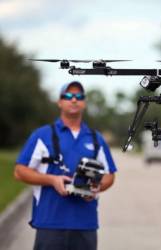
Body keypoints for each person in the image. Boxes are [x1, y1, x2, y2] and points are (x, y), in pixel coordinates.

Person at [14, 81, 117, 250]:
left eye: (79, 96)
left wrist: (96, 187)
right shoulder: (42, 135)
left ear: (84, 102)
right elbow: (19, 171)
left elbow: (109, 175)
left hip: (85, 224)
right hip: (50, 222)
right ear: (60, 102)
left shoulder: (96, 138)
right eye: (68, 96)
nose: (74, 100)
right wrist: (52, 180)